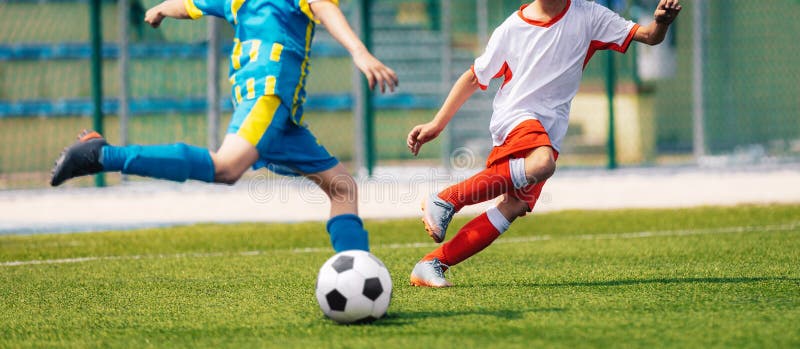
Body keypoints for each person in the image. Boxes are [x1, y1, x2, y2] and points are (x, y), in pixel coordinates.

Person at [50, 0, 398, 253]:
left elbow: (189, 6)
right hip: (268, 92)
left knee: (342, 187)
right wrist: (359, 51)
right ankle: (102, 155)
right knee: (227, 167)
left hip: (280, 110)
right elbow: (324, 7)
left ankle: (356, 268)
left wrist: (159, 10)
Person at [406, 0, 681, 287]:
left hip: (550, 131)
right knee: (541, 164)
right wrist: (437, 124)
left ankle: (432, 263)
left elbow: (650, 36)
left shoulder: (588, 15)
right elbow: (474, 77)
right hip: (515, 118)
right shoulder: (512, 28)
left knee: (513, 206)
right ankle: (447, 199)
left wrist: (662, 22)